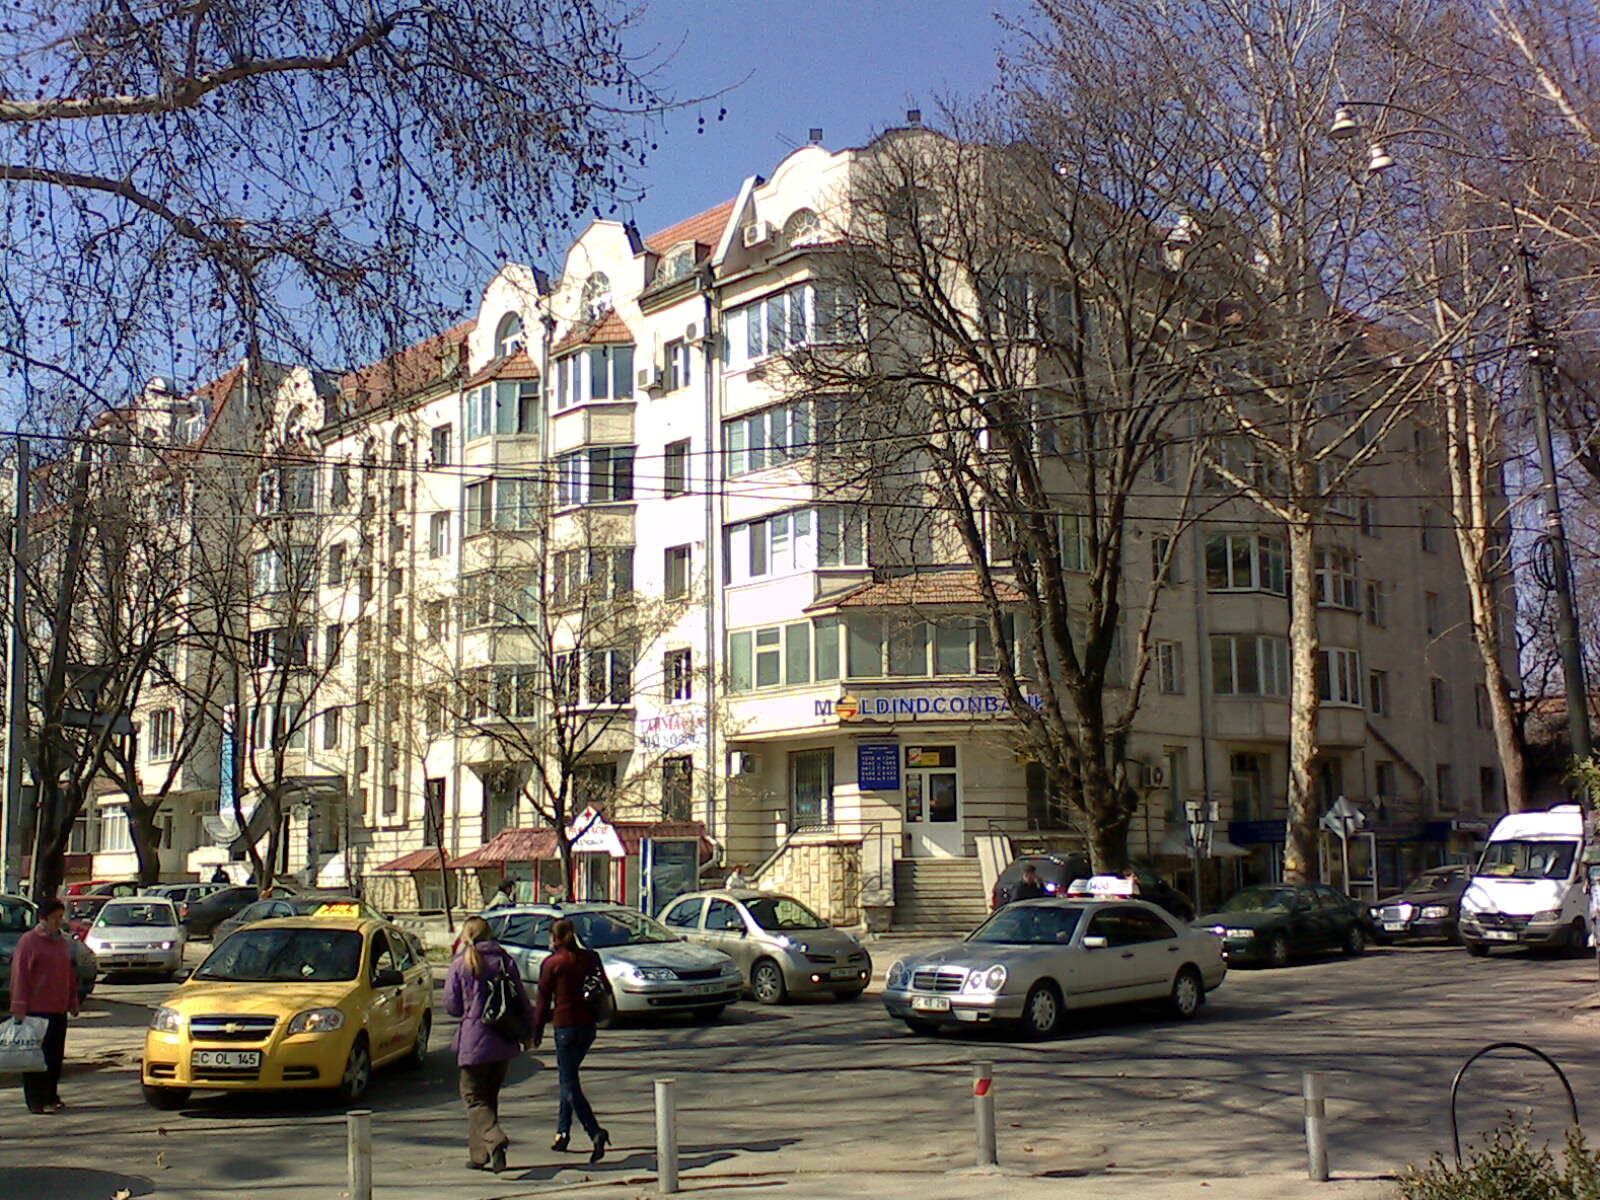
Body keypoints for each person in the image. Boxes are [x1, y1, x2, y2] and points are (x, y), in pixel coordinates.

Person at [443, 914, 533, 1174]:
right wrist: (528, 1032)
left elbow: (452, 1005)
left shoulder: (461, 963)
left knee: (472, 1097)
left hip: (475, 1039)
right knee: (488, 1098)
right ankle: (481, 1155)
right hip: (503, 1037)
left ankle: (494, 1139)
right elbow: (521, 999)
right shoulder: (504, 960)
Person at [533, 918, 609, 1163]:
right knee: (568, 1078)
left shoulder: (552, 963)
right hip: (588, 1025)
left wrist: (535, 1034)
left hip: (565, 1026)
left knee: (569, 1083)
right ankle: (562, 1132)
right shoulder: (591, 957)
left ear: (554, 938)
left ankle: (595, 1131)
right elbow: (604, 986)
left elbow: (543, 1002)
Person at [8, 898, 79, 1114]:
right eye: (55, 917)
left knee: (54, 1057)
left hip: (58, 1009)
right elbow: (20, 975)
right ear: (43, 918)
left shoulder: (62, 942)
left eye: (61, 916)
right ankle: (36, 1100)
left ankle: (51, 1095)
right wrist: (19, 1007)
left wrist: (72, 1000)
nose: (59, 921)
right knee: (35, 1059)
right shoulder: (29, 942)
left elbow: (68, 974)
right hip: (36, 1009)